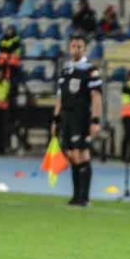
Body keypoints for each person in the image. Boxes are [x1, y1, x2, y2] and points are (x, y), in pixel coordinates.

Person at [51, 36, 103, 207]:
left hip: (81, 117)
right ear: (69, 48)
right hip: (66, 117)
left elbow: (96, 97)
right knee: (71, 156)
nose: (76, 49)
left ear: (85, 50)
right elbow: (60, 97)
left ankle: (84, 197)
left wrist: (95, 120)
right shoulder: (65, 71)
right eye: (73, 46)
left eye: (79, 46)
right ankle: (76, 196)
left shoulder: (90, 70)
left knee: (82, 154)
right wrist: (56, 119)